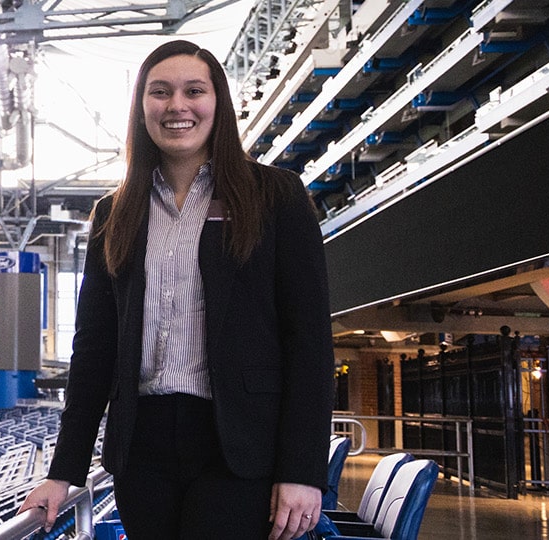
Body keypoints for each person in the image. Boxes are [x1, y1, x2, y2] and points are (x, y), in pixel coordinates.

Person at [18, 39, 335, 540]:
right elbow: (95, 350)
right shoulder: (114, 213)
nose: (176, 106)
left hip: (237, 443)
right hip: (142, 449)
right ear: (142, 107)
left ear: (218, 103)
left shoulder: (275, 195)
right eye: (159, 92)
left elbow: (310, 342)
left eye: (194, 91)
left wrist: (302, 470)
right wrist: (64, 470)